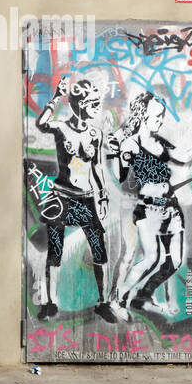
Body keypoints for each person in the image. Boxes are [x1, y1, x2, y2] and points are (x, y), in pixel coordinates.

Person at [34, 75, 116, 322]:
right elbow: (41, 123)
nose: (96, 108)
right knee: (55, 251)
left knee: (99, 250)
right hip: (62, 197)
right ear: (79, 104)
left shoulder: (95, 134)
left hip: (87, 198)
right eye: (92, 103)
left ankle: (103, 302)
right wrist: (57, 97)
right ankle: (51, 302)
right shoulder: (61, 128)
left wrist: (102, 197)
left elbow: (98, 168)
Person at [108, 92, 192, 315]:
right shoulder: (131, 143)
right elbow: (119, 174)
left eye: (162, 116)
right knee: (152, 258)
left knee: (173, 262)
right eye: (157, 116)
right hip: (149, 208)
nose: (160, 120)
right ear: (144, 114)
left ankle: (143, 295)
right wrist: (117, 154)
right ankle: (119, 299)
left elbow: (183, 157)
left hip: (171, 209)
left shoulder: (159, 142)